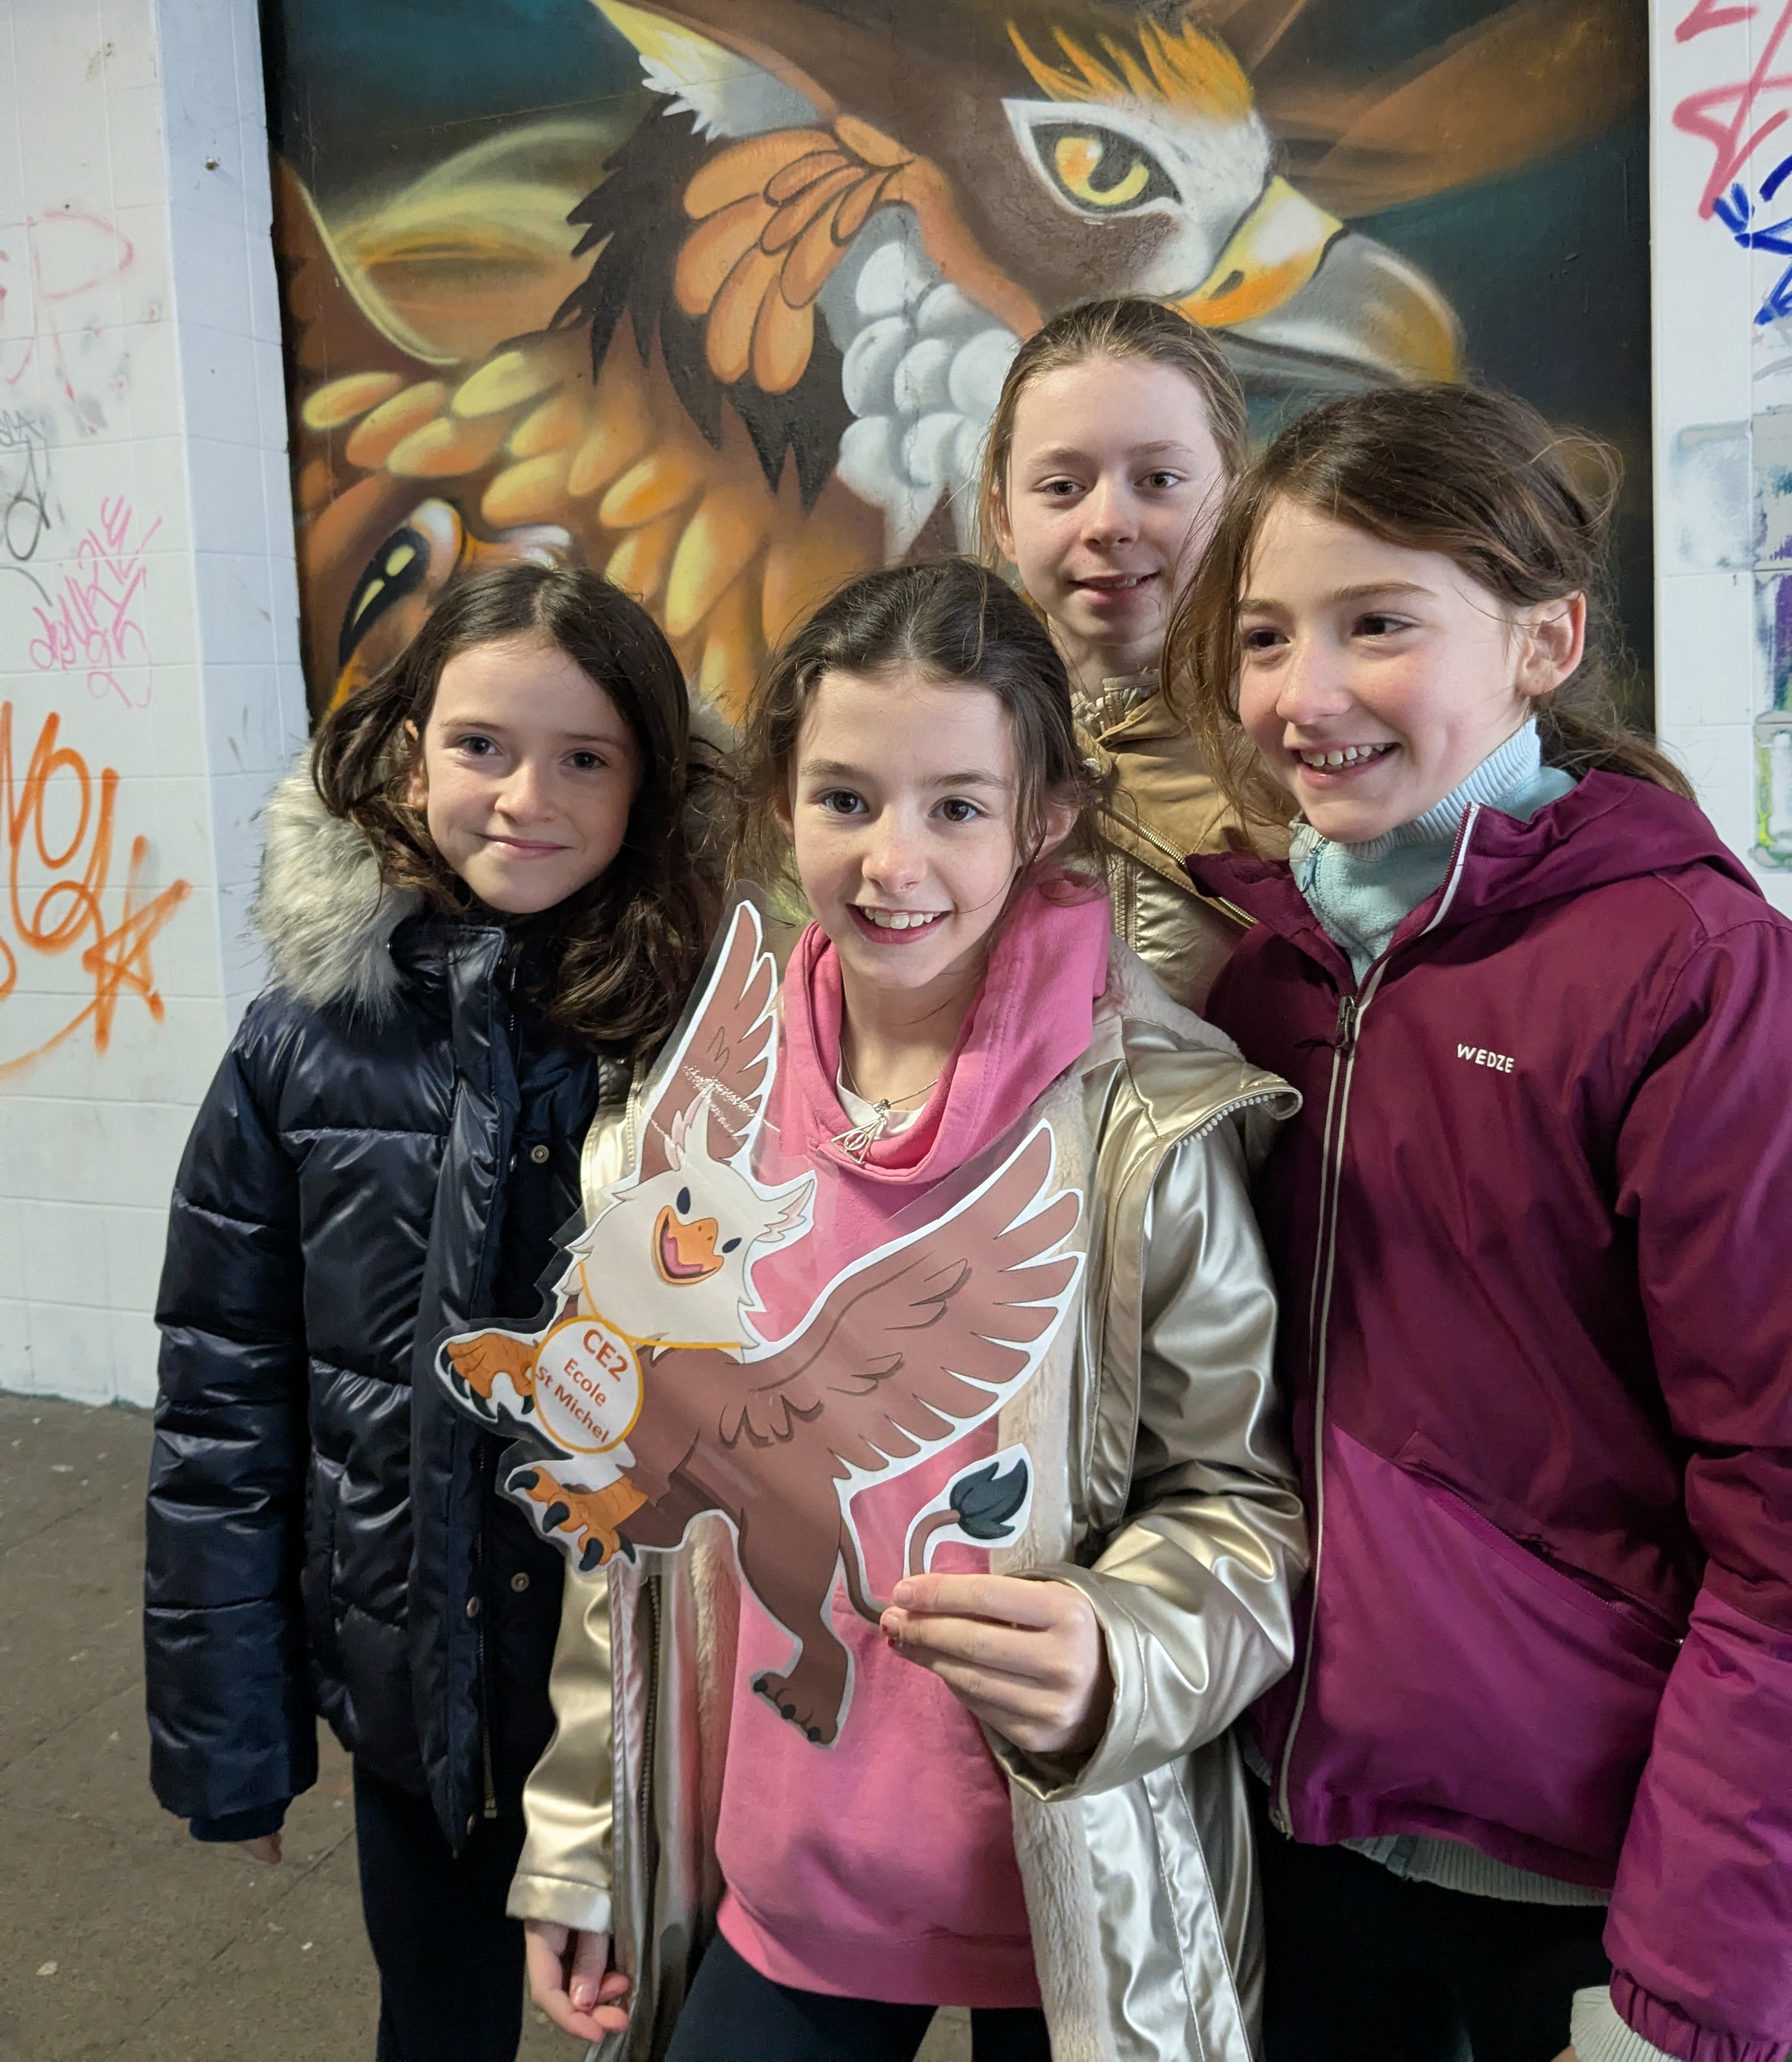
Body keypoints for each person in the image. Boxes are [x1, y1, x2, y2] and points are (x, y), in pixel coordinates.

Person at [513, 558, 1308, 2062]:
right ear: (783, 803)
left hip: (1074, 1894)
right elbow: (631, 1515)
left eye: (956, 806)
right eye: (846, 799)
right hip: (784, 1878)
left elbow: (1242, 1505)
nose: (894, 862)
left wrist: (1120, 1650)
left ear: (1045, 817)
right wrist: (587, 1843)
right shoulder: (696, 1117)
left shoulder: (1146, 1124)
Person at [1172, 385, 1792, 2062]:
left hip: (1582, 1865)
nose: (1304, 695)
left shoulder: (1687, 971)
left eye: (1378, 624)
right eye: (1266, 637)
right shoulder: (1247, 973)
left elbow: (1777, 1492)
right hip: (1296, 1812)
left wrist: (1702, 1958)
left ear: (1544, 640)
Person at [143, 563, 721, 2062]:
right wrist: (233, 1738)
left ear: (651, 781)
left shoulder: (720, 1037)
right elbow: (224, 1402)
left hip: (661, 1708)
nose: (527, 798)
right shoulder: (302, 1050)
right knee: (440, 2023)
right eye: (482, 746)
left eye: (585, 757)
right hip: (422, 1701)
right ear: (409, 757)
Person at [978, 294, 1273, 1011]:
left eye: (1159, 480)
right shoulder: (941, 727)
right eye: (1063, 488)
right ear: (1003, 517)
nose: (1109, 523)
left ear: (1235, 498)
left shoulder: (1303, 733)